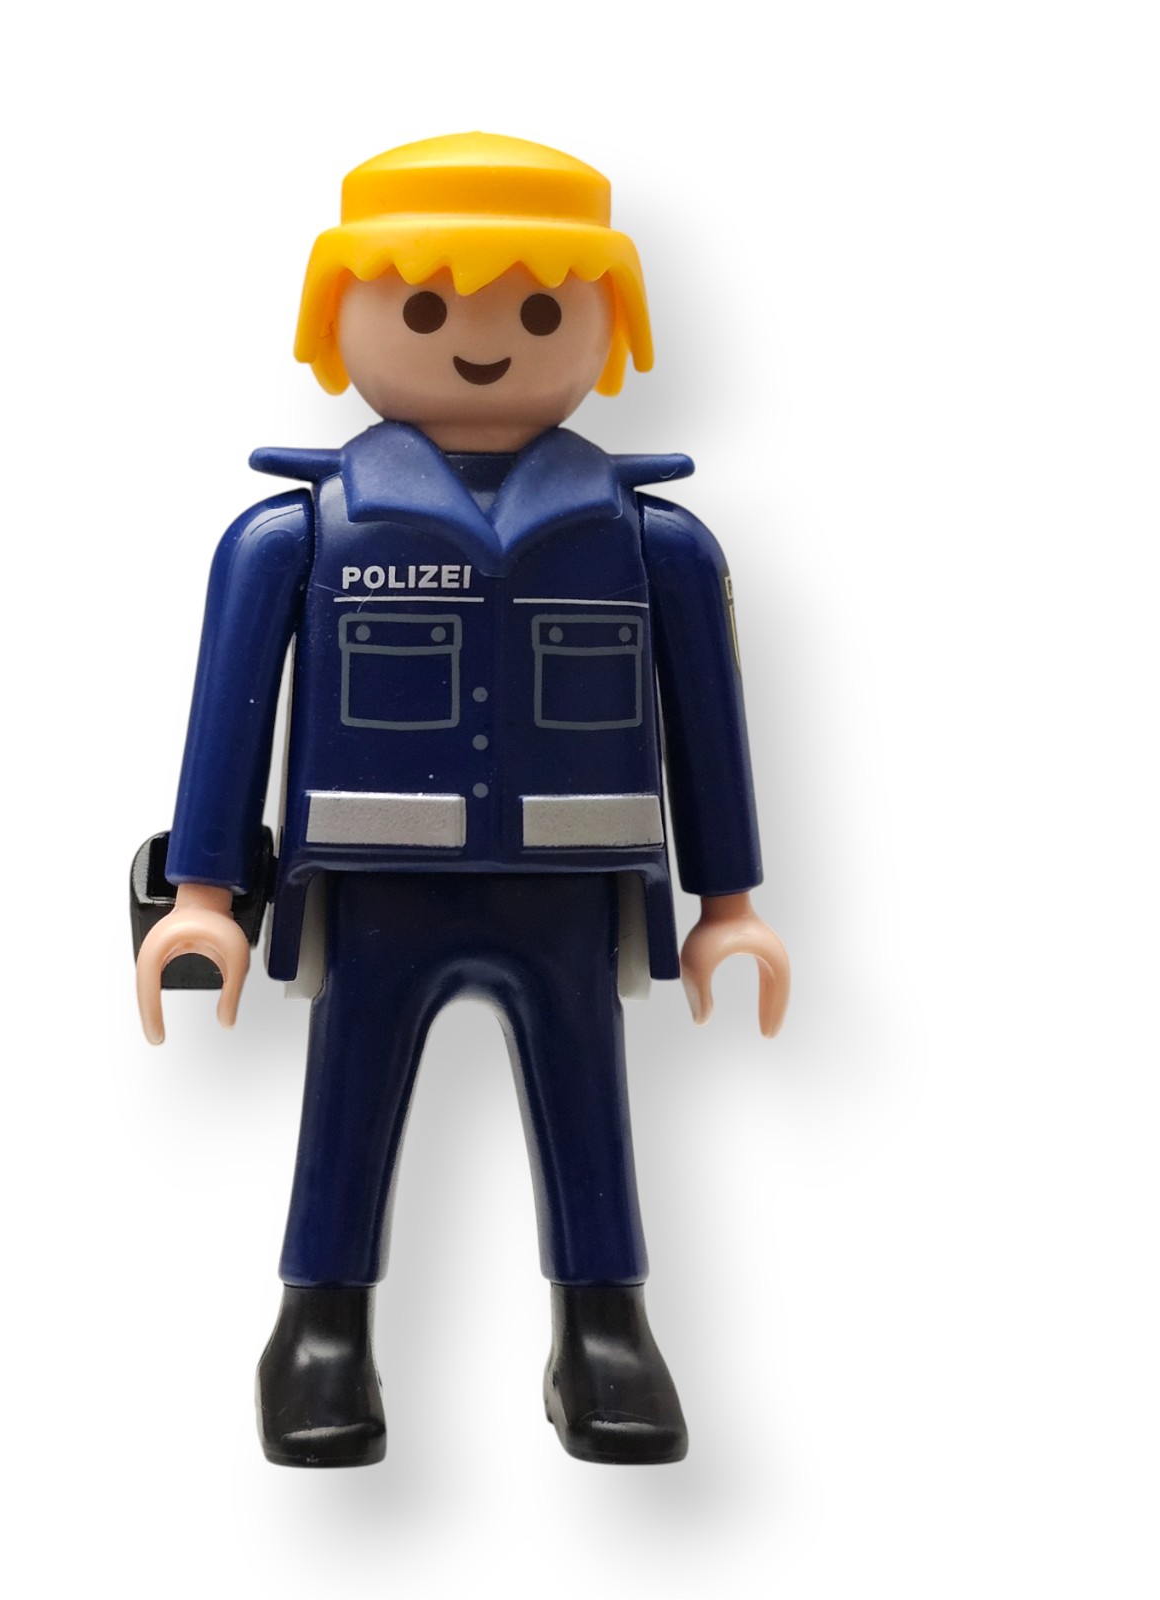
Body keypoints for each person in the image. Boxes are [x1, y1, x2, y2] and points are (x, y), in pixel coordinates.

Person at [135, 132, 790, 1467]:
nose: (482, 344)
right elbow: (228, 717)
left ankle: (604, 1329)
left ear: (609, 327)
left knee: (588, 1099)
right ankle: (319, 1330)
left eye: (540, 313)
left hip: (570, 887)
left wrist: (729, 903)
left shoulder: (650, 541)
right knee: (348, 1096)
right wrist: (203, 894)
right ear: (339, 319)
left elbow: (710, 727)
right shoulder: (298, 534)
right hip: (376, 880)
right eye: (426, 311)